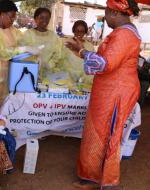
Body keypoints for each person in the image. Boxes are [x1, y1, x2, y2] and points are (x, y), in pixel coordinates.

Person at [65, 0, 141, 188]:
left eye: (105, 13)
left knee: (108, 135)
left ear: (114, 13)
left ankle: (106, 180)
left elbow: (104, 64)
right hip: (108, 91)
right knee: (97, 133)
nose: (105, 17)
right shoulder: (123, 32)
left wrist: (81, 51)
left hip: (116, 92)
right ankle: (92, 176)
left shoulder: (125, 35)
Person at [0, 0, 23, 109]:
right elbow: (3, 52)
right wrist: (23, 49)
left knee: (7, 106)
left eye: (14, 17)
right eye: (11, 17)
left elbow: (24, 41)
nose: (13, 20)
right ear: (2, 14)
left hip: (11, 75)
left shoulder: (14, 31)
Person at [20, 7, 64, 81]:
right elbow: (22, 54)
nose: (44, 20)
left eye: (47, 18)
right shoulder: (28, 34)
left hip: (48, 74)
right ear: (35, 18)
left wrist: (49, 65)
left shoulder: (53, 36)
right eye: (41, 17)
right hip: (30, 72)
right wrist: (34, 65)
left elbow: (58, 54)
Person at [61, 20, 95, 92]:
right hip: (68, 80)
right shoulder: (66, 43)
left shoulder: (90, 46)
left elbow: (92, 63)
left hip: (85, 81)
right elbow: (60, 58)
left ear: (85, 32)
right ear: (73, 31)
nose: (79, 33)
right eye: (77, 31)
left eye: (82, 31)